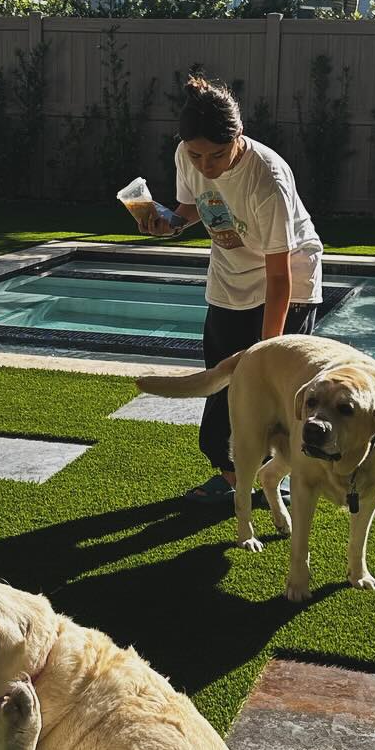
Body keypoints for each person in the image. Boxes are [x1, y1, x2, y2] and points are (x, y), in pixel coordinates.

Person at [132, 75, 323, 504]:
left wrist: (269, 351)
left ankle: (281, 475)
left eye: (217, 155)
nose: (206, 166)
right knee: (222, 381)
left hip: (289, 280)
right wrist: (167, 223)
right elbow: (192, 207)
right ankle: (233, 476)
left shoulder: (266, 178)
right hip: (229, 275)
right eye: (196, 155)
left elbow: (279, 275)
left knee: (277, 387)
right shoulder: (186, 155)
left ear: (239, 136)